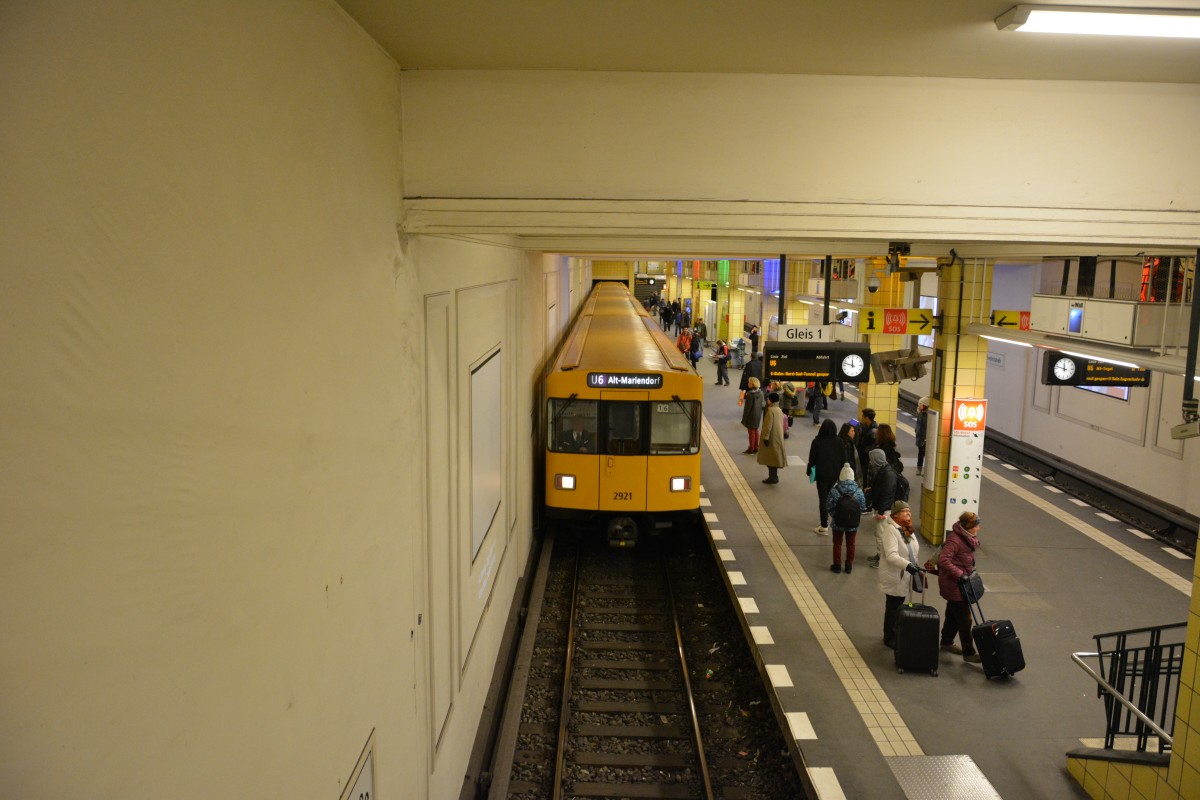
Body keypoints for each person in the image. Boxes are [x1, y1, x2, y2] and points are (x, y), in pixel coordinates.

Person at [938, 511, 983, 663]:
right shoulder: (955, 540)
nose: (979, 528)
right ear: (969, 526)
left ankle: (946, 642)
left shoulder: (966, 537)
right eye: (976, 526)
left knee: (952, 614)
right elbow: (943, 560)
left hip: (960, 583)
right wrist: (959, 574)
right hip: (954, 584)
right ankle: (969, 652)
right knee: (965, 620)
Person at [878, 500, 922, 649]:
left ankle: (895, 632)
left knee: (898, 605)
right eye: (905, 511)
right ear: (896, 515)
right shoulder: (890, 530)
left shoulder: (907, 528)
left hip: (906, 574)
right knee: (893, 607)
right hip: (895, 575)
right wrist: (908, 565)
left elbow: (912, 548)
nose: (908, 513)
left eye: (909, 511)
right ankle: (889, 636)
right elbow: (891, 555)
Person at [826, 463, 867, 573]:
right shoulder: (858, 491)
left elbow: (828, 506)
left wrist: (835, 515)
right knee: (851, 544)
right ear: (853, 477)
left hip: (837, 523)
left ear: (840, 476)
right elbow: (863, 508)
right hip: (853, 524)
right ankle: (848, 566)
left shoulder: (834, 491)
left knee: (837, 543)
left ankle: (837, 566)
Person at [807, 419, 844, 534]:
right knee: (829, 496)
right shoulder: (839, 441)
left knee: (823, 499)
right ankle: (832, 520)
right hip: (834, 474)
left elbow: (812, 459)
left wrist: (809, 471)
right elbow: (844, 458)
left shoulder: (817, 442)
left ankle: (824, 525)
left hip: (821, 475)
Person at [865, 448, 899, 568]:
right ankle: (879, 555)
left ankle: (882, 560)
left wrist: (881, 511)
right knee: (878, 533)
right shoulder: (882, 470)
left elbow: (887, 494)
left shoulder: (888, 474)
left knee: (881, 535)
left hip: (885, 510)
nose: (870, 462)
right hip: (881, 507)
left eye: (871, 459)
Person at [758, 392, 787, 483]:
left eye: (768, 399)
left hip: (771, 437)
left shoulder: (770, 411)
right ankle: (774, 476)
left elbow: (768, 426)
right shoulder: (778, 409)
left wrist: (765, 437)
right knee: (774, 457)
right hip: (777, 436)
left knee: (770, 458)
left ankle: (772, 477)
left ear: (771, 400)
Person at [741, 377, 764, 454]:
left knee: (751, 432)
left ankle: (751, 448)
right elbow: (763, 404)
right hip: (758, 414)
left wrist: (744, 419)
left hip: (751, 415)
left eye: (749, 382)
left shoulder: (750, 395)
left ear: (753, 384)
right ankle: (756, 446)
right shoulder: (761, 393)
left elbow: (747, 408)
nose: (748, 383)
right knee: (756, 430)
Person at [856, 408, 878, 473]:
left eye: (863, 416)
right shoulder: (865, 427)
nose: (861, 418)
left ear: (867, 418)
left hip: (866, 460)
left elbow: (872, 447)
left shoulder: (873, 431)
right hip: (862, 457)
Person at [915, 397, 929, 477]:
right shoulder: (920, 413)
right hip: (920, 437)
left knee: (927, 454)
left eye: (920, 404)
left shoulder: (929, 415)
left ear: (925, 405)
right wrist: (916, 429)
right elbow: (918, 422)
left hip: (926, 438)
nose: (919, 405)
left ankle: (926, 470)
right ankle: (919, 468)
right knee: (920, 454)